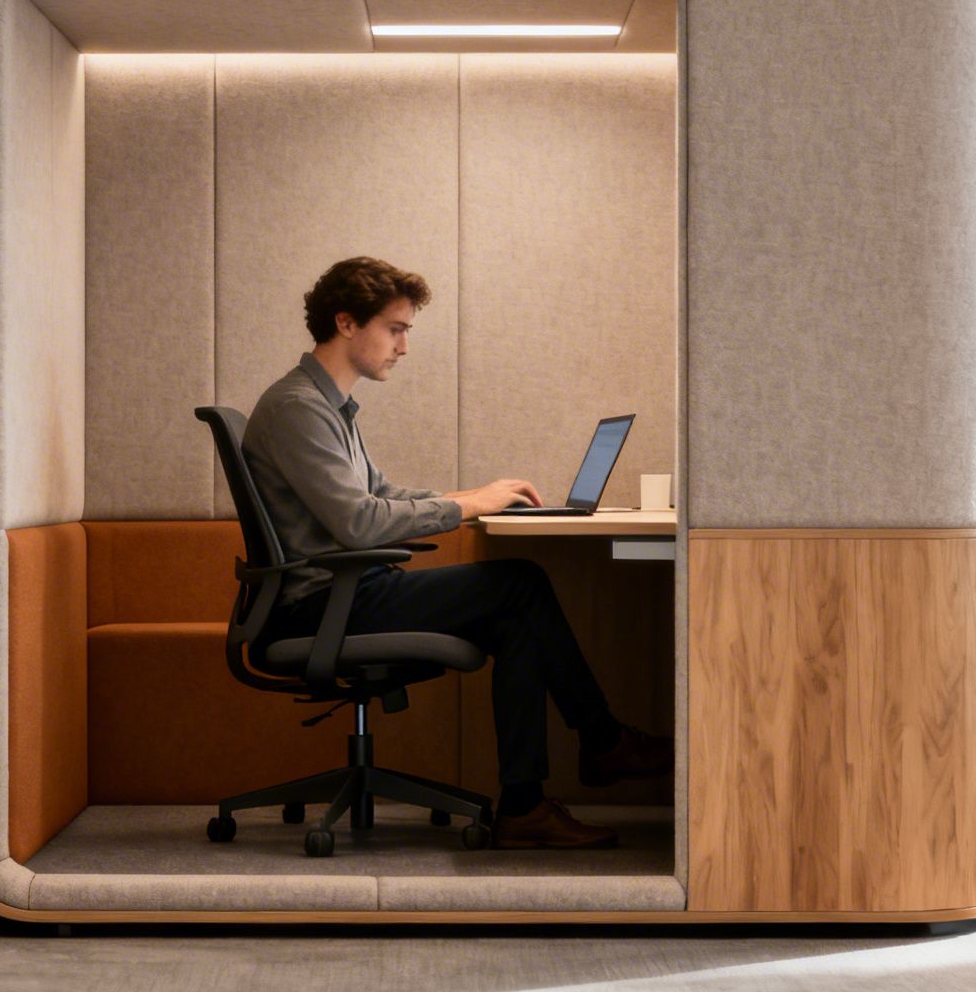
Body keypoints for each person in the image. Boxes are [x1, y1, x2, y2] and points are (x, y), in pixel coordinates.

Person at [241, 256, 673, 849]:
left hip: (343, 594)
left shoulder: (328, 407)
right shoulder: (298, 409)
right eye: (395, 329)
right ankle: (602, 744)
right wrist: (473, 506)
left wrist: (479, 496)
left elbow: (382, 495)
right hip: (322, 604)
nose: (403, 347)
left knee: (514, 615)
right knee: (519, 583)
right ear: (346, 323)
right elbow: (361, 522)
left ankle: (527, 804)